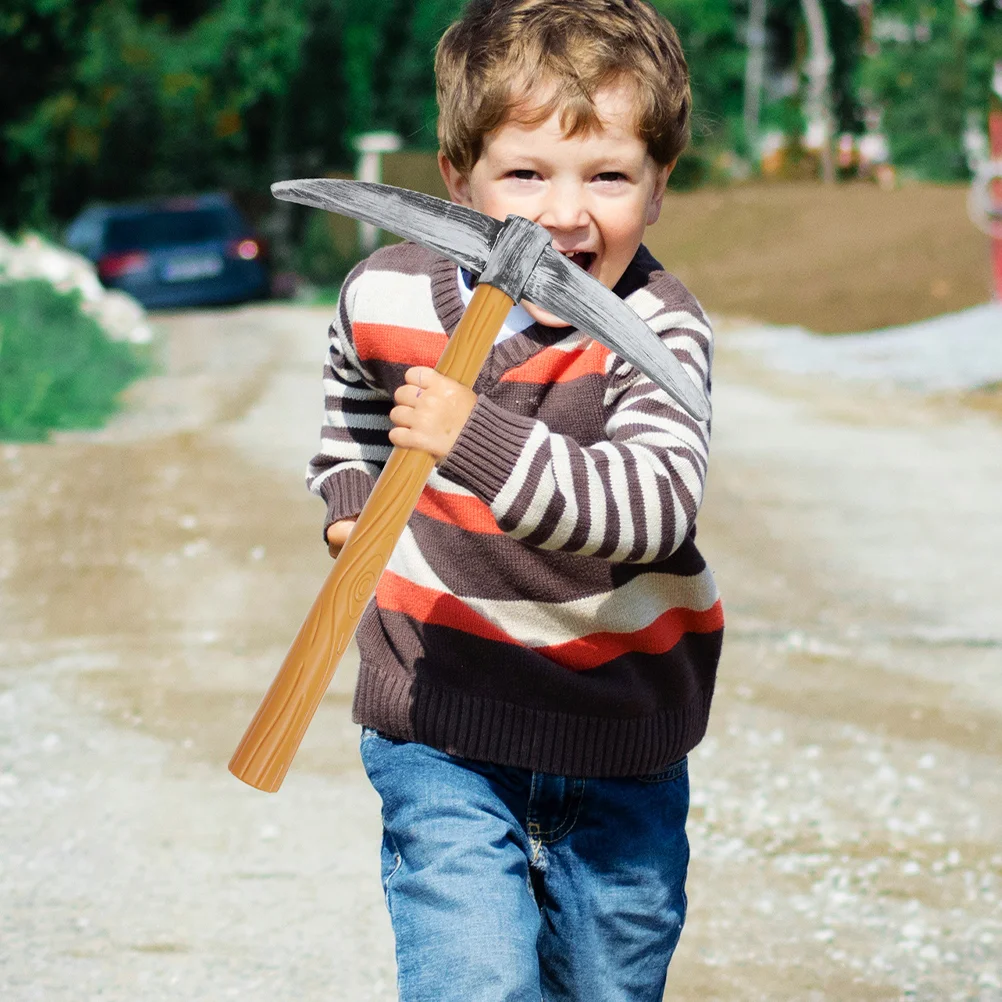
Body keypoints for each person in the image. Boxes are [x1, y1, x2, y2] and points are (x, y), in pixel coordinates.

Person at [307, 1, 723, 998]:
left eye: (610, 175)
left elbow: (652, 507)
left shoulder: (659, 334)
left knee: (606, 986)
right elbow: (354, 401)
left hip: (617, 734)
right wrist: (353, 499)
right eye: (526, 173)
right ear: (458, 180)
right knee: (474, 982)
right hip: (439, 722)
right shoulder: (387, 292)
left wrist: (475, 436)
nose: (565, 214)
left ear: (659, 187)